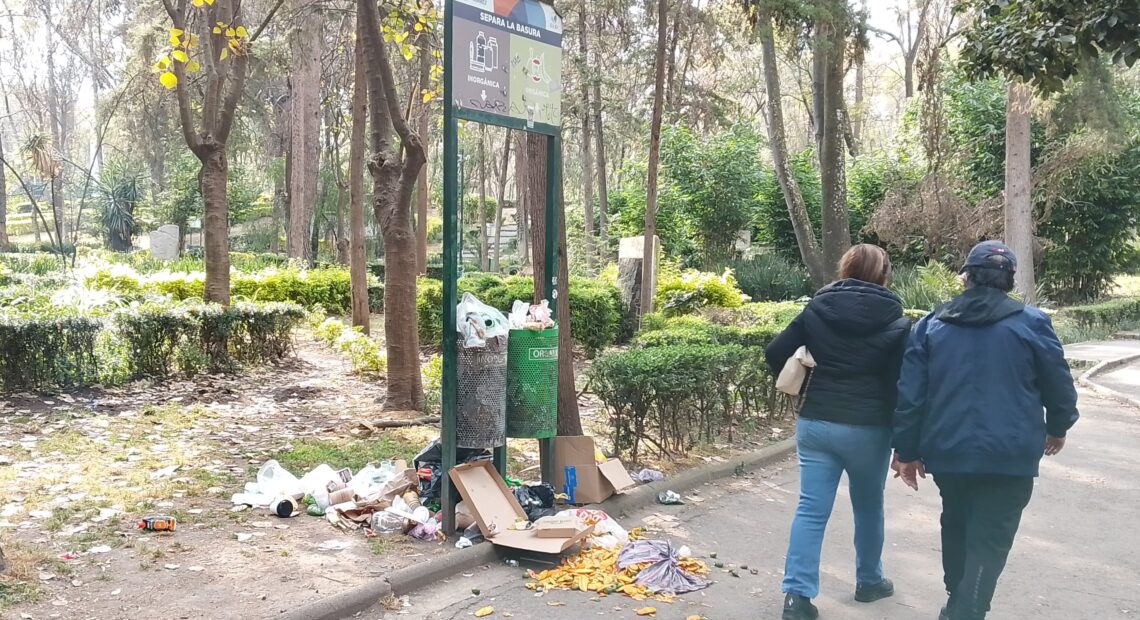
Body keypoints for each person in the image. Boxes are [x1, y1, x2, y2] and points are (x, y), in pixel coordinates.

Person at [892, 241, 1079, 620]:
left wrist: (906, 451)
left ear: (966, 276)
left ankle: (957, 601)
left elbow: (910, 395)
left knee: (956, 522)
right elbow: (1059, 383)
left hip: (948, 450)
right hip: (1010, 454)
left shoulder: (931, 325)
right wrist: (1058, 427)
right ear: (1010, 279)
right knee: (990, 538)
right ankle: (966, 609)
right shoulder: (1032, 323)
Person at [765, 244, 912, 620]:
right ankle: (869, 581)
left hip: (817, 420)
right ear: (884, 275)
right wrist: (904, 438)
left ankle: (797, 598)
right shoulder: (897, 320)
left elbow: (775, 351)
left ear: (844, 268)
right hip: (869, 427)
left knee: (810, 510)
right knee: (869, 506)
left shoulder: (817, 308)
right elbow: (900, 383)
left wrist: (808, 377)